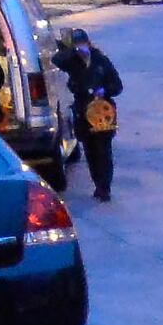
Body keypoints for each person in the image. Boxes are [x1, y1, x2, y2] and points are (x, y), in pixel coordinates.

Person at [58, 30, 123, 201]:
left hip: (102, 112)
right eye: (77, 45)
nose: (81, 48)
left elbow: (117, 86)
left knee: (104, 151)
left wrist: (104, 90)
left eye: (83, 44)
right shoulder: (72, 63)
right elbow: (56, 60)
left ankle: (104, 187)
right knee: (90, 151)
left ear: (88, 43)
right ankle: (97, 183)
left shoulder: (101, 61)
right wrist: (72, 52)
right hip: (83, 111)